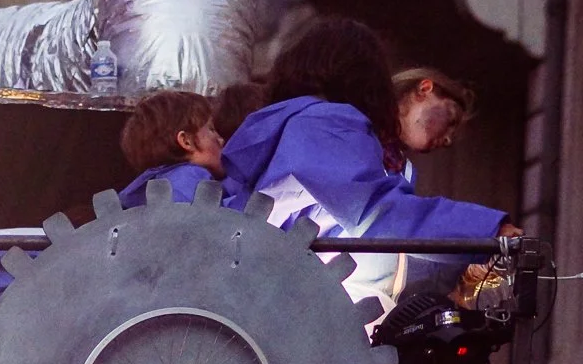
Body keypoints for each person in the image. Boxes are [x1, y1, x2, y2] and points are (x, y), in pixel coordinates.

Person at [220, 18, 514, 313]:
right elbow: (379, 216)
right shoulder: (323, 124)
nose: (448, 139)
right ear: (361, 74)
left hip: (283, 296)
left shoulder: (307, 124)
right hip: (292, 304)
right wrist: (488, 231)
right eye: (450, 119)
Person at [116, 89, 225, 208]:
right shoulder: (190, 180)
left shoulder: (141, 192)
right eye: (211, 129)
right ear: (186, 141)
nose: (221, 140)